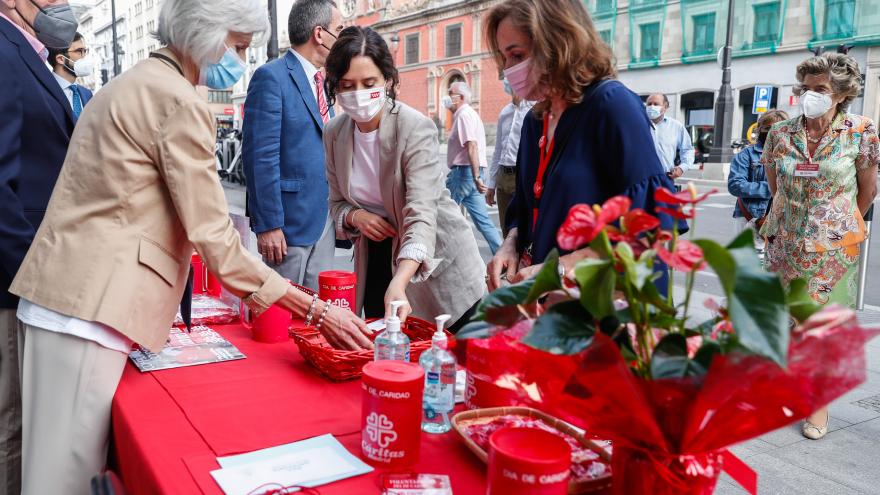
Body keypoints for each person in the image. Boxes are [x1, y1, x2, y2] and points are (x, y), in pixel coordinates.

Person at [9, 1, 371, 493]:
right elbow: (216, 239)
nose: (240, 60)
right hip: (87, 308)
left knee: (53, 467)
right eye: (239, 46)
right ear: (208, 34)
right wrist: (316, 310)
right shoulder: (176, 99)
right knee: (63, 480)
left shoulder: (138, 81)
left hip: (69, 297)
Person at [485, 0, 678, 291]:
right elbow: (525, 206)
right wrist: (511, 243)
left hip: (605, 305)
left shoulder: (612, 106)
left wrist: (565, 265)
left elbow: (648, 228)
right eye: (504, 59)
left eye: (517, 55)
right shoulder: (534, 121)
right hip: (553, 304)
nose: (508, 70)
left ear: (558, 42)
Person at [324, 26, 485, 331]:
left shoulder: (414, 127)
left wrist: (400, 279)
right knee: (384, 351)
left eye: (368, 83)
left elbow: (421, 215)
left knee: (446, 359)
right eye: (346, 85)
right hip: (377, 254)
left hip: (433, 260)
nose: (357, 93)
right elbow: (336, 203)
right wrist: (356, 216)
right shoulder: (335, 133)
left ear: (387, 80)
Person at [760, 52, 878, 441]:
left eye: (820, 89)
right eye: (806, 88)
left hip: (832, 247)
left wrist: (839, 224)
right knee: (794, 322)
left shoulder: (861, 130)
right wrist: (789, 218)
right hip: (786, 241)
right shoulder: (781, 133)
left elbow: (868, 189)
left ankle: (818, 404)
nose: (810, 96)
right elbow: (773, 181)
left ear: (841, 93)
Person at [0, 1, 78, 493]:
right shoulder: (5, 54)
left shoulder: (29, 53)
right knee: (13, 421)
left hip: (28, 270)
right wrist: (35, 271)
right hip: (15, 279)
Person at [242, 0, 342, 291]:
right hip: (288, 227)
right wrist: (269, 224)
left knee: (315, 317)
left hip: (323, 219)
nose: (343, 36)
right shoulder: (271, 77)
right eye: (340, 29)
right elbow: (260, 157)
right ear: (319, 34)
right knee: (283, 314)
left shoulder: (321, 83)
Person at [443, 80, 504, 254]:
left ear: (460, 97)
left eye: (450, 93)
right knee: (483, 222)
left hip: (463, 174)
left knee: (442, 214)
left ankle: (442, 257)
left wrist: (476, 176)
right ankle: (502, 258)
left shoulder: (463, 115)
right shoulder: (470, 114)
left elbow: (471, 145)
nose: (448, 97)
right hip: (470, 175)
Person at [727, 109, 788, 256]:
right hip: (752, 218)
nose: (772, 132)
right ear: (759, 129)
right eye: (768, 128)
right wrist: (773, 188)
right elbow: (735, 185)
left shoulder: (792, 155)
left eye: (778, 128)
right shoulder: (746, 155)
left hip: (785, 220)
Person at [487, 79, 535, 236]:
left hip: (521, 176)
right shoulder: (505, 112)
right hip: (503, 175)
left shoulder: (534, 110)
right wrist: (491, 185)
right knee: (506, 229)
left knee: (522, 230)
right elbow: (498, 150)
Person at [646, 93, 695, 180]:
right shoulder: (639, 125)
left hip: (665, 178)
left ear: (665, 107)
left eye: (656, 104)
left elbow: (688, 149)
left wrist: (682, 168)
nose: (652, 107)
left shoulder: (676, 126)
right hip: (640, 180)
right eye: (649, 104)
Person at [47, 31, 93, 119]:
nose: (84, 56)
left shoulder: (87, 94)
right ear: (60, 59)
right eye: (79, 51)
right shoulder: (44, 92)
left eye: (85, 51)